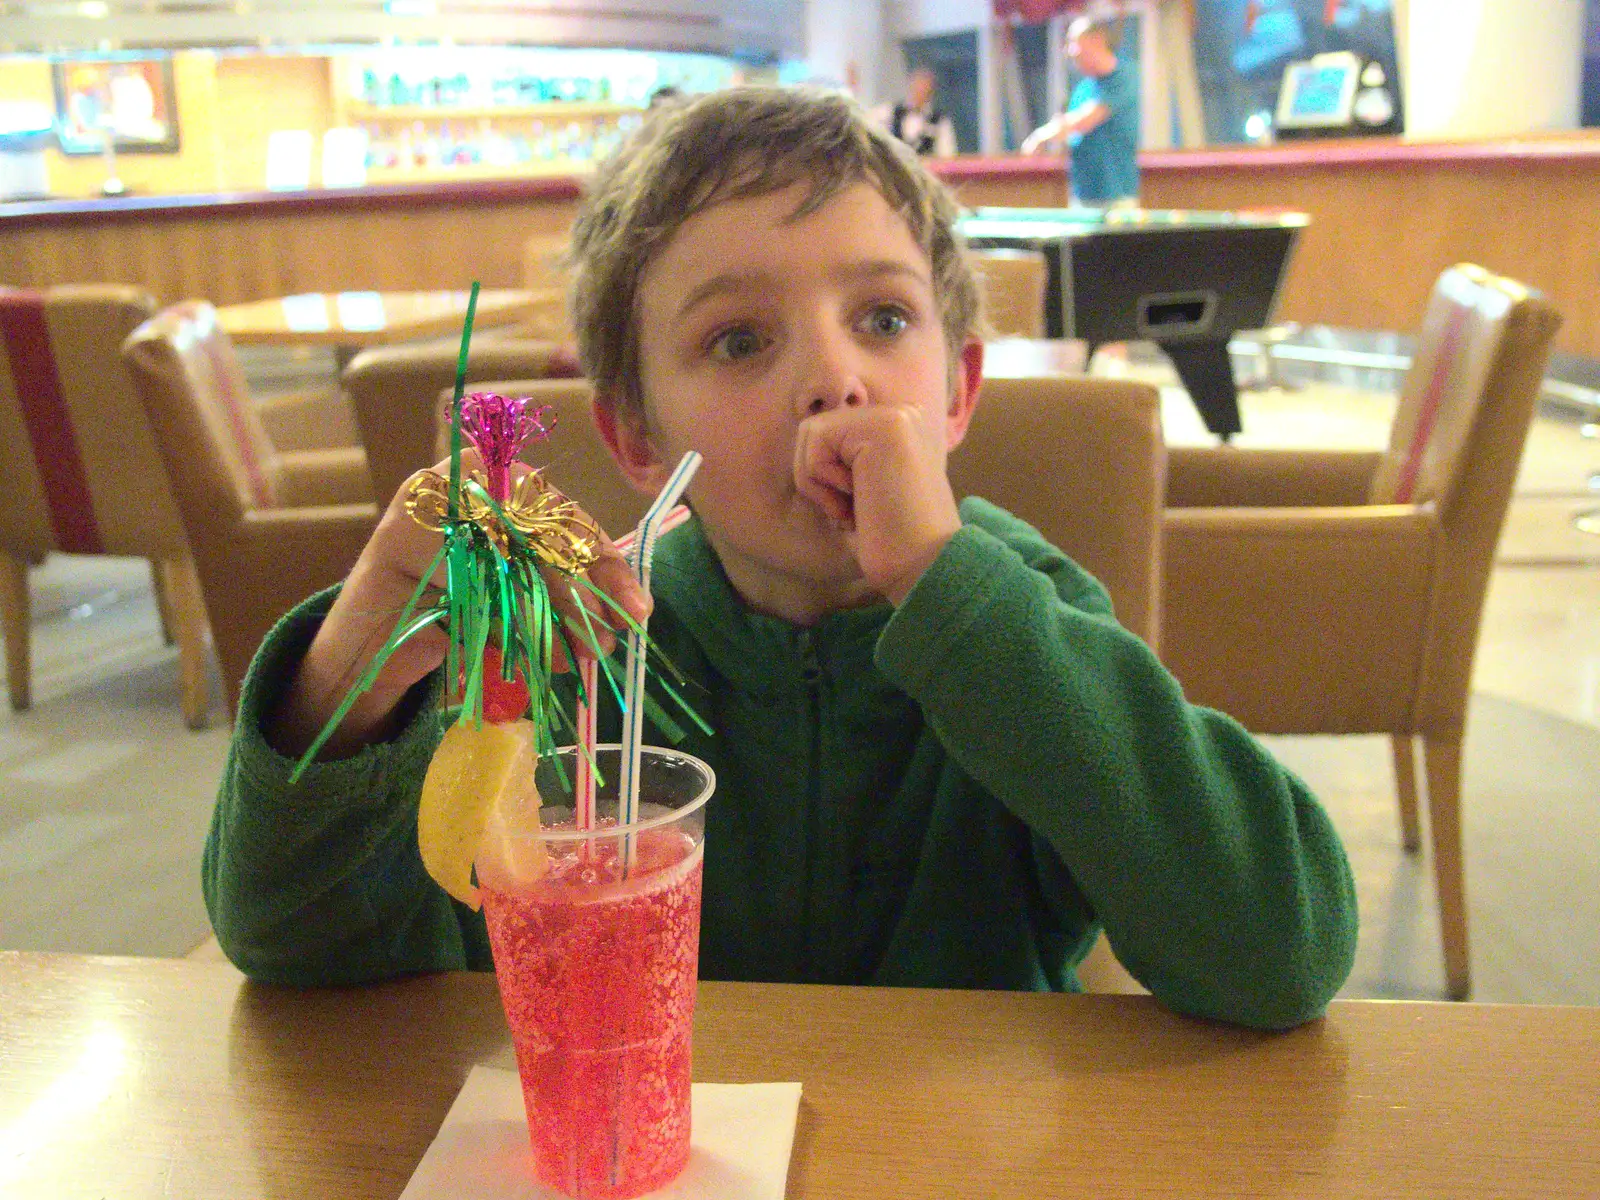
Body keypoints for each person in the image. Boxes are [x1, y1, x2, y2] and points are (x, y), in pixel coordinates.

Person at [205, 86, 1356, 1030]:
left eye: (885, 320)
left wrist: (955, 595)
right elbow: (294, 954)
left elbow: (1281, 951)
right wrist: (338, 683)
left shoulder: (1029, 621)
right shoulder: (569, 655)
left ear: (956, 392)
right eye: (739, 339)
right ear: (637, 438)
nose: (832, 379)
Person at [1021, 15, 1140, 207]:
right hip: (1082, 196)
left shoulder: (1124, 77)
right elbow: (1069, 134)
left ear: (1097, 40)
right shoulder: (1082, 89)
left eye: (1074, 43)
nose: (1070, 52)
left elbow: (1085, 120)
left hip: (1117, 196)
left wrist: (1041, 136)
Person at [873, 67, 957, 157]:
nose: (920, 90)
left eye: (925, 86)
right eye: (917, 85)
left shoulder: (940, 122)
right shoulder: (888, 113)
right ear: (910, 85)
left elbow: (947, 155)